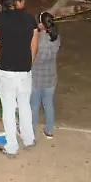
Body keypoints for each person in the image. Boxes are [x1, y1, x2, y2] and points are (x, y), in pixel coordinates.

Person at [0, 0, 37, 156]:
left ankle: (11, 147)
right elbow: (34, 45)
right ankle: (29, 139)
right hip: (24, 69)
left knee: (9, 108)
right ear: (17, 1)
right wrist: (29, 63)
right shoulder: (30, 19)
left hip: (6, 68)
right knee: (24, 105)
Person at [31, 11, 61, 139]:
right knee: (48, 104)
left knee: (34, 105)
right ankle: (49, 130)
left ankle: (30, 130)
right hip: (51, 77)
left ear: (41, 24)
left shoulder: (37, 38)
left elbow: (33, 57)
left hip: (36, 77)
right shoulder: (56, 36)